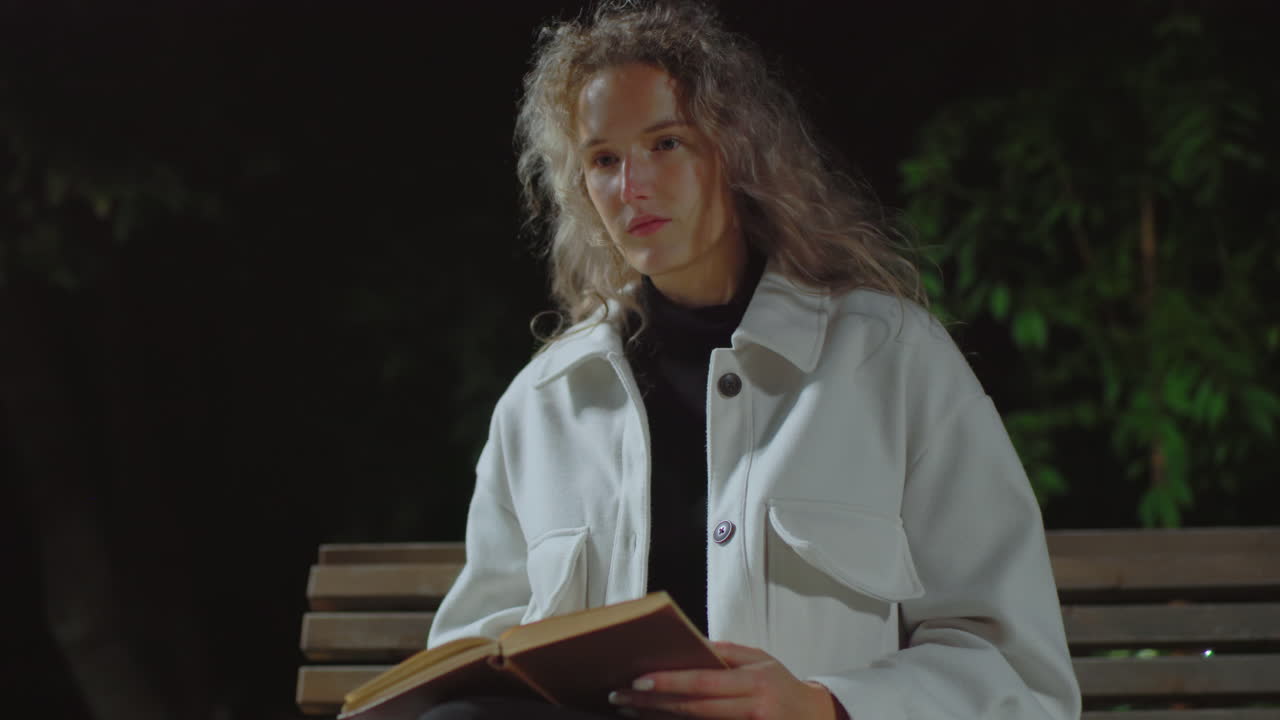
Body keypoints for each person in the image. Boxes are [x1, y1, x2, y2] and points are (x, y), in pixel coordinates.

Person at [422, 2, 1082, 719]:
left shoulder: (887, 359)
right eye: (603, 160)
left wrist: (822, 705)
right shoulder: (545, 404)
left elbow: (1020, 673)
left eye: (666, 143)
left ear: (735, 151)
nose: (631, 187)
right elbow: (473, 656)